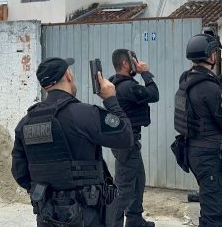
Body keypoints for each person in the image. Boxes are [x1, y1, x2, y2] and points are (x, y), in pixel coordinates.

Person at [11, 57, 134, 226]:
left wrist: (49, 191)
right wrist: (111, 100)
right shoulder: (86, 114)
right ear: (68, 76)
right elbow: (126, 137)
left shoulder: (25, 123)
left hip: (47, 215)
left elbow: (20, 173)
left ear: (44, 86)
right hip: (86, 215)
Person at [173, 33, 222, 227]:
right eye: (215, 52)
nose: (216, 55)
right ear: (211, 56)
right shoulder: (208, 88)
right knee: (215, 212)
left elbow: (214, 87)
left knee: (209, 204)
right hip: (210, 157)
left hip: (194, 151)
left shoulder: (188, 78)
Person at [109, 50, 159, 227]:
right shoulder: (127, 87)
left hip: (128, 142)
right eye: (133, 61)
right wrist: (145, 72)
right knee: (123, 189)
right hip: (126, 143)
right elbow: (154, 94)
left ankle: (134, 219)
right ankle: (113, 223)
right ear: (125, 64)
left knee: (138, 181)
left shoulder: (114, 83)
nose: (136, 64)